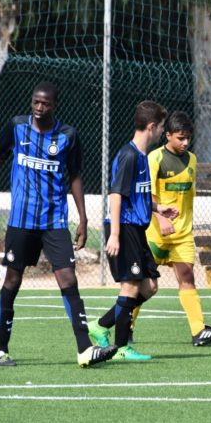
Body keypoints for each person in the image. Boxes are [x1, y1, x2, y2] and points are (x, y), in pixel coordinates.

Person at [0, 81, 116, 368]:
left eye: (45, 104)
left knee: (68, 278)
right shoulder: (17, 127)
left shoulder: (68, 135)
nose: (39, 108)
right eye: (35, 102)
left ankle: (85, 349)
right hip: (21, 221)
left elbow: (75, 176)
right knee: (12, 280)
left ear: (54, 106)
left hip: (54, 220)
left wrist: (82, 218)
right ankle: (0, 351)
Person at [87, 100, 178, 361]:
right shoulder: (128, 156)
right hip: (124, 228)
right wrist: (114, 234)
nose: (161, 132)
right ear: (151, 127)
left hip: (136, 229)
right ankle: (122, 348)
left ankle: (102, 325)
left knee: (149, 287)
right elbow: (116, 195)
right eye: (161, 127)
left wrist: (159, 209)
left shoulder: (141, 156)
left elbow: (136, 195)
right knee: (129, 288)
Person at [142, 110, 211, 346]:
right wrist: (161, 218)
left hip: (182, 234)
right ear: (167, 135)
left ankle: (199, 331)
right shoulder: (154, 158)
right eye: (180, 138)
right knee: (144, 285)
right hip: (156, 232)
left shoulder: (192, 159)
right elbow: (144, 196)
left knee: (187, 277)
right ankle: (127, 328)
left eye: (188, 137)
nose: (185, 142)